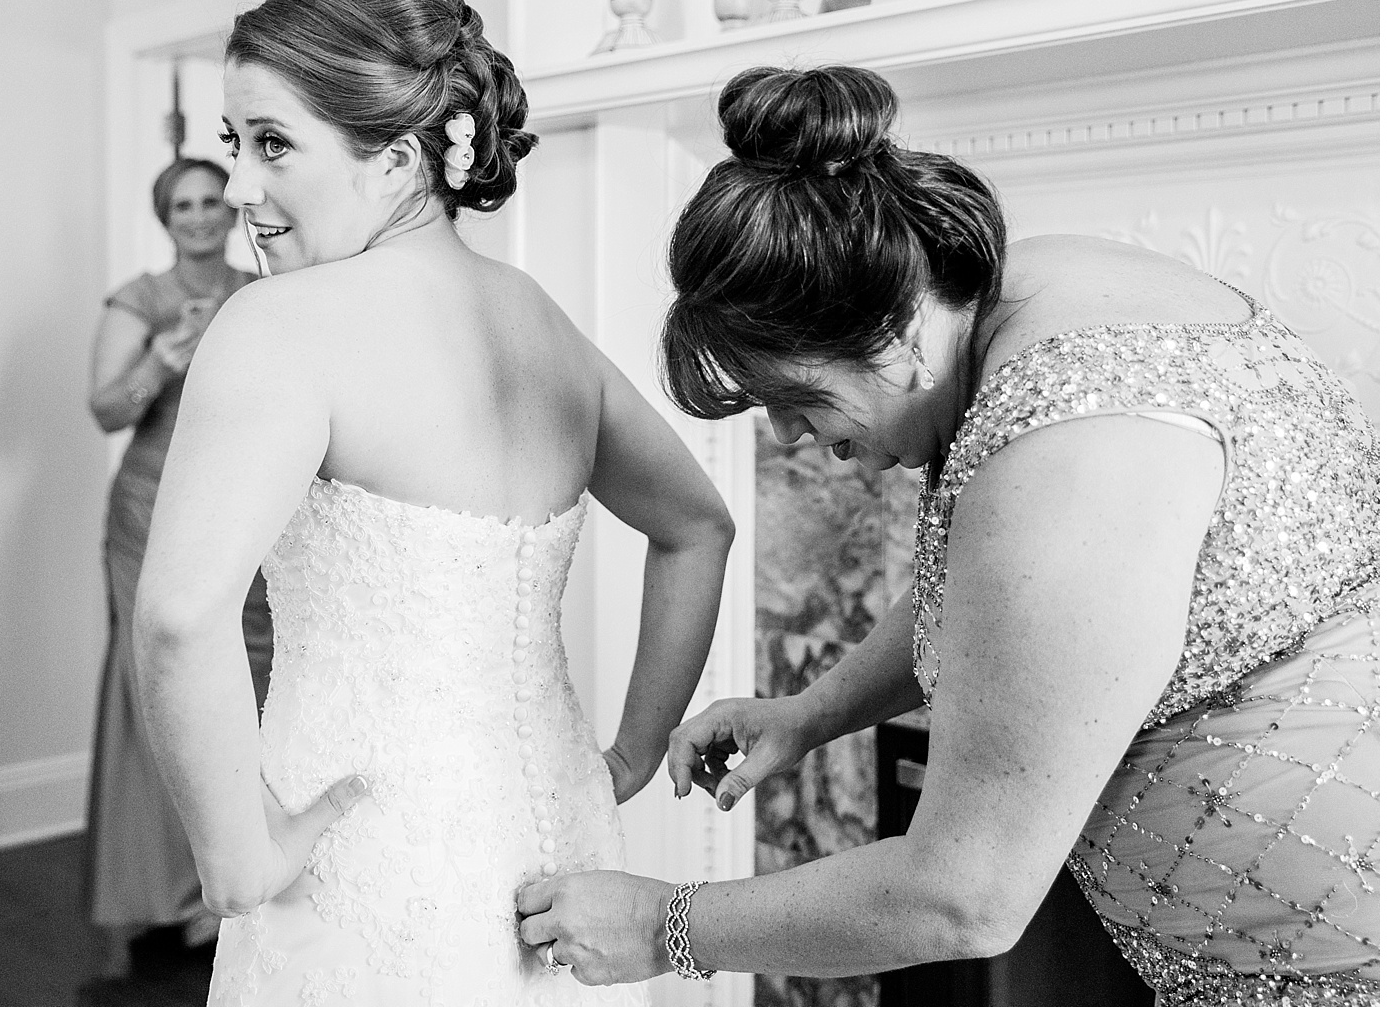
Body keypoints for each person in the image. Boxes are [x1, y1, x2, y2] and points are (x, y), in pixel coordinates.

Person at [515, 65, 1380, 1006]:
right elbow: (998, 598)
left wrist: (662, 924)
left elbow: (964, 896)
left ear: (893, 328)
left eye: (795, 397)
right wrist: (815, 711)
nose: (790, 437)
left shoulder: (1070, 459)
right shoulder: (1042, 286)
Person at [131, 0, 734, 1006]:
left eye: (273, 144)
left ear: (400, 159)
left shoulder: (279, 325)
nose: (236, 189)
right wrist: (630, 751)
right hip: (560, 841)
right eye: (236, 145)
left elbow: (180, 616)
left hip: (364, 866)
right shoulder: (536, 317)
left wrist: (234, 858)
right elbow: (697, 525)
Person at [85, 158, 275, 973]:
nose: (200, 215)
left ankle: (237, 872)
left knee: (252, 683)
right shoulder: (141, 299)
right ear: (165, 216)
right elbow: (103, 408)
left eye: (210, 201)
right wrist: (163, 358)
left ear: (230, 210)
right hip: (149, 515)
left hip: (245, 510)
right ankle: (167, 894)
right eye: (183, 204)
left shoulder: (264, 287)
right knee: (157, 691)